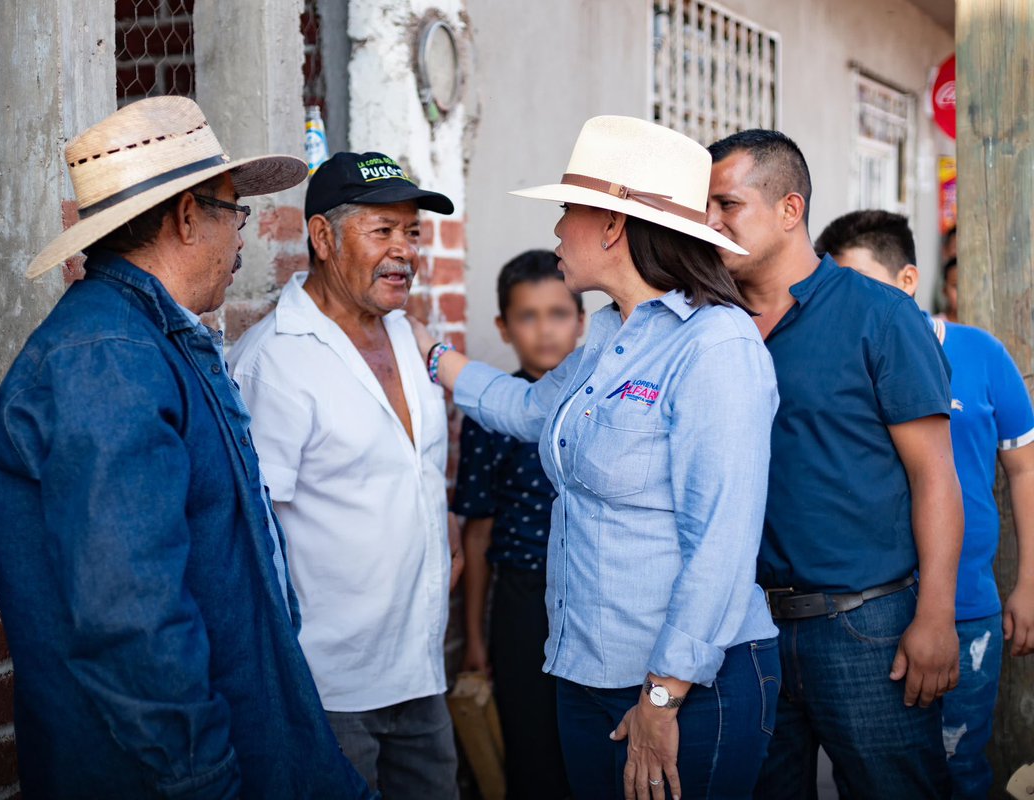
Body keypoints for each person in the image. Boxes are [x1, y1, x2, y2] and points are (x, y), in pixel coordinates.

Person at [0, 97, 372, 800]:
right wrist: (203, 779)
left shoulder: (151, 339)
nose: (244, 237)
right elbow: (131, 617)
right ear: (188, 217)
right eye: (235, 212)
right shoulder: (106, 361)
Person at [415, 116, 781, 800]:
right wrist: (433, 355)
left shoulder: (714, 347)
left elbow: (722, 546)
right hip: (586, 673)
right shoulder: (610, 337)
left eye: (566, 211)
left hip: (684, 687)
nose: (556, 230)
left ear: (613, 226)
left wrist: (664, 696)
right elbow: (528, 410)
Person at [705, 130, 964, 799]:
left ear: (790, 209)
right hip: (745, 633)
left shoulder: (878, 314)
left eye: (726, 204)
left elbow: (935, 474)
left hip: (866, 627)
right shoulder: (713, 325)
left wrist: (936, 616)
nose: (710, 222)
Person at [227, 150, 463, 798]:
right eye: (382, 231)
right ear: (324, 237)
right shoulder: (276, 362)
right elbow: (253, 537)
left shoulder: (409, 340)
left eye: (411, 232)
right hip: (326, 690)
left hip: (419, 673)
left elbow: (412, 476)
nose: (404, 251)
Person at [817, 209, 1034, 799]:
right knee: (872, 780)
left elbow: (1024, 469)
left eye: (858, 285)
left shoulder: (981, 355)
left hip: (964, 611)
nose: (844, 305)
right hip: (863, 619)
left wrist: (1030, 583)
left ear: (908, 281)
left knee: (960, 769)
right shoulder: (834, 365)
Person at [453, 249, 583, 800]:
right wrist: (476, 640)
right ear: (504, 327)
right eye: (528, 316)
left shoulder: (598, 399)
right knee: (530, 741)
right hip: (522, 601)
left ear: (581, 320)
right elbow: (477, 532)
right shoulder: (490, 414)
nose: (545, 330)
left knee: (591, 735)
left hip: (590, 592)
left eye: (558, 313)